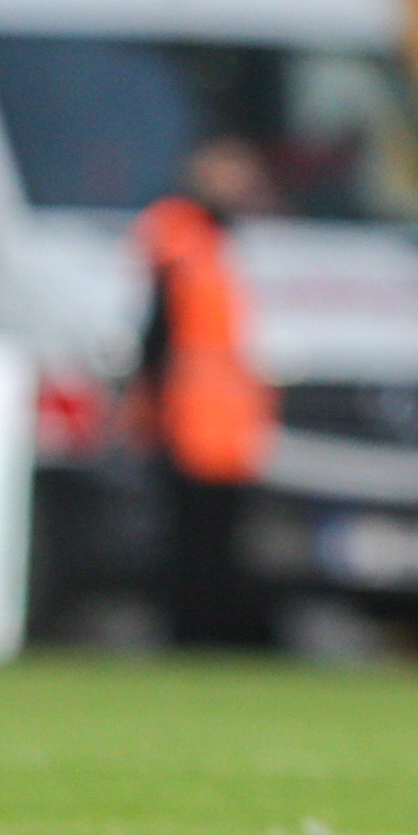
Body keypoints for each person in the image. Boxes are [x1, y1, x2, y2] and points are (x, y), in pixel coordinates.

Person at [134, 135, 279, 646]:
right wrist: (151, 404)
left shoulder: (228, 237)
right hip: (188, 413)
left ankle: (215, 633)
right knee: (191, 535)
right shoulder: (180, 231)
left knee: (222, 534)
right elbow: (158, 328)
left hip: (228, 420)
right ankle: (189, 634)